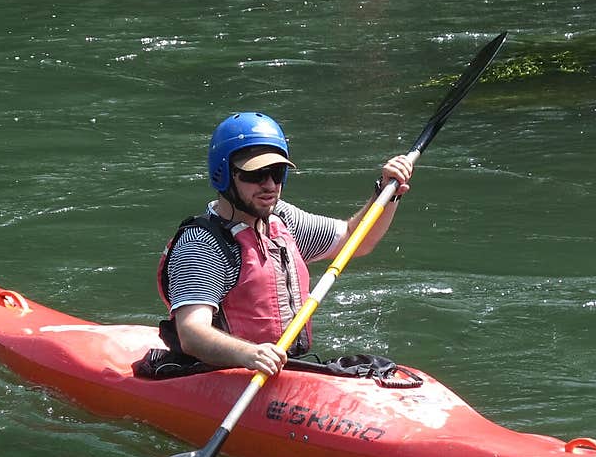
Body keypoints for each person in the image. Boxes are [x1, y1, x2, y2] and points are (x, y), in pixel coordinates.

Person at [153, 111, 413, 379]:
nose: (269, 185)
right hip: (222, 372)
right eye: (256, 174)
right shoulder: (203, 244)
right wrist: (250, 355)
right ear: (224, 174)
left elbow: (355, 239)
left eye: (277, 173)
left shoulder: (282, 218)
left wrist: (387, 192)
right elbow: (192, 334)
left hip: (284, 367)